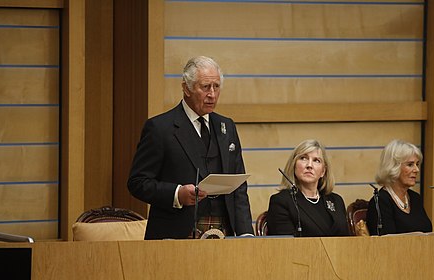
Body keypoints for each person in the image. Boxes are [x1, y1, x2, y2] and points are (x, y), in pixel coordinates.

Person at [127, 56, 253, 239]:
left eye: (216, 87)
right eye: (205, 87)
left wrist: (245, 233)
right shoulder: (160, 128)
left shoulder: (227, 126)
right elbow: (137, 182)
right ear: (186, 88)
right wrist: (177, 194)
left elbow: (239, 188)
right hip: (176, 233)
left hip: (225, 232)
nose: (212, 94)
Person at [267, 139, 349, 237]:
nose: (309, 165)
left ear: (323, 171)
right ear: (294, 165)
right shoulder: (282, 201)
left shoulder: (336, 201)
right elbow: (286, 247)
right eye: (303, 158)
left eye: (316, 160)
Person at [366, 139, 432, 235]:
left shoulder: (415, 198)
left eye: (417, 164)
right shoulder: (380, 202)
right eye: (410, 164)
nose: (417, 169)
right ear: (393, 167)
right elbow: (384, 243)